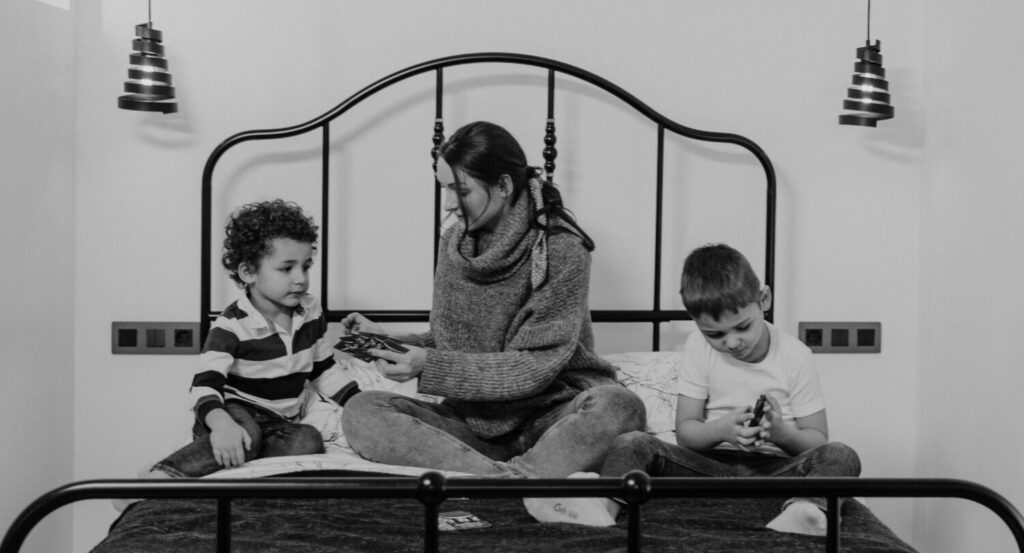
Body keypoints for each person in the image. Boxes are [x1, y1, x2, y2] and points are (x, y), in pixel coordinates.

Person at [340, 121, 646, 479]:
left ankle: (502, 482)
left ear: (503, 185)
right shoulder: (454, 245)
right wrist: (388, 343)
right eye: (444, 189)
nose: (449, 205)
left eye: (461, 190)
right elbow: (453, 343)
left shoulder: (562, 249)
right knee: (362, 411)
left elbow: (534, 366)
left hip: (553, 417)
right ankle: (510, 482)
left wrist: (428, 365)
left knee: (620, 406)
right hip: (472, 423)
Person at [525, 243, 860, 534]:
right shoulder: (698, 348)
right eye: (715, 335)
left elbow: (818, 441)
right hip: (708, 467)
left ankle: (805, 511)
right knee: (633, 442)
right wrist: (724, 430)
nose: (732, 343)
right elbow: (687, 434)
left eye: (742, 327)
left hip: (774, 472)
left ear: (764, 300)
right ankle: (602, 507)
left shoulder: (795, 356)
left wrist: (779, 432)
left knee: (842, 456)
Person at [146, 199, 350, 479]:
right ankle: (159, 477)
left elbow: (323, 368)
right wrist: (220, 423)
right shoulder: (231, 326)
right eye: (286, 268)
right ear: (248, 272)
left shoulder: (310, 312)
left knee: (309, 440)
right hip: (234, 412)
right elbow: (204, 385)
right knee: (247, 433)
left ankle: (246, 451)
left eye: (306, 267)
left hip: (277, 422)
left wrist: (358, 401)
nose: (300, 279)